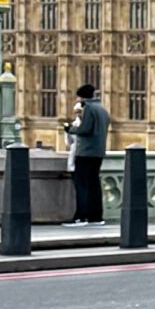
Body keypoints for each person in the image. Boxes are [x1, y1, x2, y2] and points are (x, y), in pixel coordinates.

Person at [64, 82, 109, 222]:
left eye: (78, 98)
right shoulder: (102, 109)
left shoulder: (88, 108)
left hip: (85, 152)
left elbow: (85, 129)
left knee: (82, 184)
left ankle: (82, 216)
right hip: (98, 152)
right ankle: (96, 216)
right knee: (94, 185)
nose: (77, 100)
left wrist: (69, 129)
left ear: (82, 97)